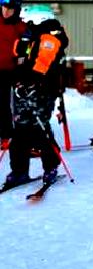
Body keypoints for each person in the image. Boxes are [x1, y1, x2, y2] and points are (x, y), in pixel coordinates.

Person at [3, 17, 68, 189]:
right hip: (24, 88)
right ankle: (19, 170)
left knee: (39, 127)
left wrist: (32, 81)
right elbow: (19, 57)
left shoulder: (50, 34)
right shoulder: (29, 36)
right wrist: (18, 80)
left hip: (43, 90)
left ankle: (51, 166)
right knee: (20, 129)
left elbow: (43, 61)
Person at [0, 0, 27, 146]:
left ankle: (9, 134)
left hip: (11, 70)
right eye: (4, 7)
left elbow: (27, 49)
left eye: (10, 9)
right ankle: (5, 132)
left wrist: (21, 62)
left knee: (10, 103)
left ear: (16, 10)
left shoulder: (20, 27)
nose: (6, 11)